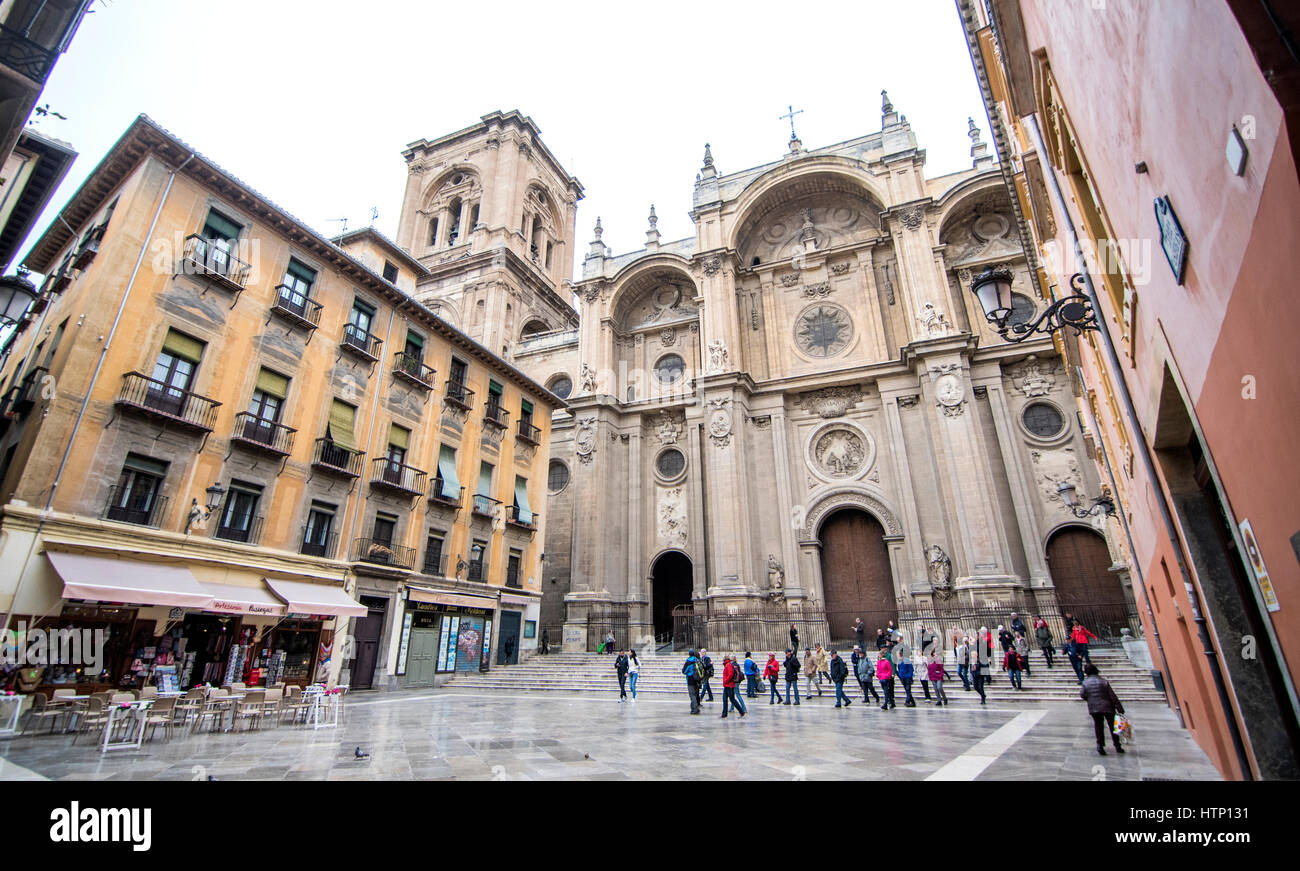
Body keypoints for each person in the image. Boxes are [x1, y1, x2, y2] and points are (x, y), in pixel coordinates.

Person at [1080, 663, 1126, 756]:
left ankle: (1100, 746)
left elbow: (1082, 694)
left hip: (1094, 708)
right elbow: (1112, 696)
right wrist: (1119, 708)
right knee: (1113, 727)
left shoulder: (1085, 683)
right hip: (1108, 707)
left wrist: (1090, 699)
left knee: (1098, 726)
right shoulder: (1103, 681)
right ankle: (1117, 746)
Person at [682, 649, 702, 714]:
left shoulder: (688, 661)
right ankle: (695, 708)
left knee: (692, 695)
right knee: (695, 694)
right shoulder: (697, 660)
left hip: (690, 679)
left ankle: (695, 709)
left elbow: (684, 671)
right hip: (697, 679)